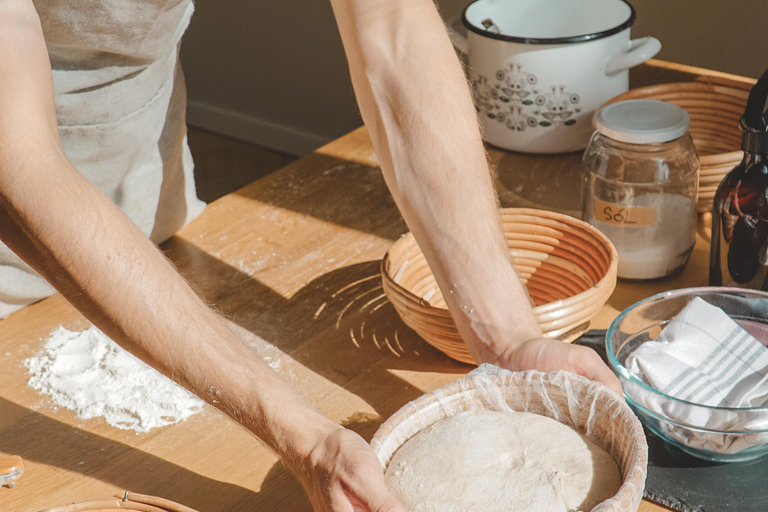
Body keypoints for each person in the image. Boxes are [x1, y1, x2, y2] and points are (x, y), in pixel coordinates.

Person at [1, 1, 622, 511]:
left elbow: (394, 31)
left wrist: (506, 341)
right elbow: (20, 169)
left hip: (154, 222)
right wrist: (304, 438)